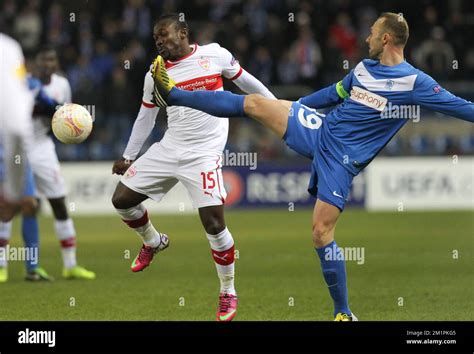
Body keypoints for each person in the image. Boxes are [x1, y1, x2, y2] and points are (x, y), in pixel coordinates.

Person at [150, 12, 474, 321]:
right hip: (320, 129)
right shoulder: (363, 69)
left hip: (342, 158)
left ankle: (343, 312)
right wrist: (293, 106)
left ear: (386, 38)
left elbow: (461, 107)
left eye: (372, 33)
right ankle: (176, 95)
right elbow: (334, 94)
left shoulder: (414, 82)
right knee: (255, 104)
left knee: (320, 233)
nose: (366, 38)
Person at [111, 14, 275, 322]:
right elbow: (145, 117)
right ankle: (153, 241)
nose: (159, 42)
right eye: (156, 39)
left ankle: (228, 291)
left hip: (204, 153)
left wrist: (275, 104)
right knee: (121, 201)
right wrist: (129, 156)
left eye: (165, 36)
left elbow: (244, 80)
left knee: (214, 224)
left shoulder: (214, 54)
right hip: (170, 146)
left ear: (183, 32)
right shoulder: (155, 74)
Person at [25, 46, 95, 280]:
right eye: (44, 59)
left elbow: (62, 118)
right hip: (19, 148)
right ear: (36, 63)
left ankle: (70, 265)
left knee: (59, 203)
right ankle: (4, 265)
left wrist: (69, 129)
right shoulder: (20, 83)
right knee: (14, 206)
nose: (48, 64)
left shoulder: (62, 85)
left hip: (43, 147)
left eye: (52, 60)